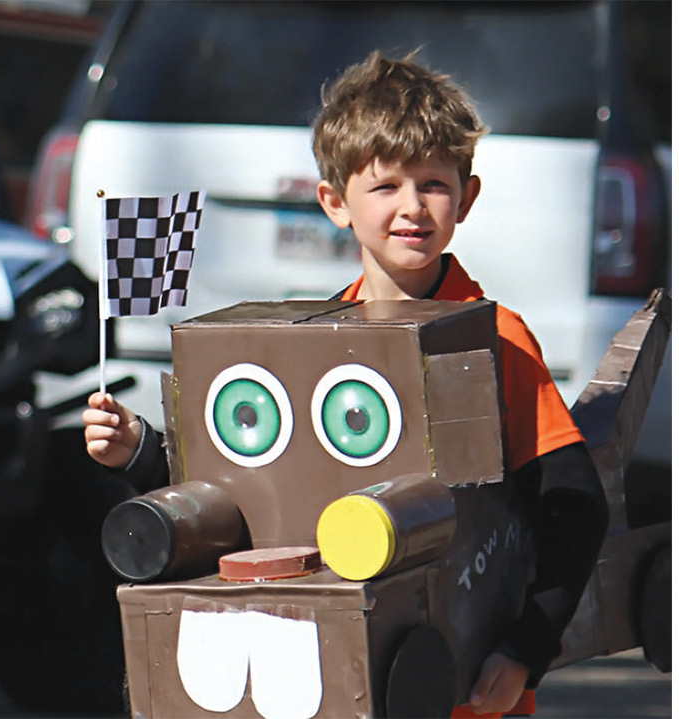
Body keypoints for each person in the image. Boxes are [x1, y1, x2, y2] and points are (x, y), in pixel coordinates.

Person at [83, 51, 608, 717]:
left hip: (459, 692)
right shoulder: (310, 341)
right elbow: (245, 490)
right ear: (335, 202)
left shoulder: (495, 338)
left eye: (434, 185)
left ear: (466, 198)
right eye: (385, 186)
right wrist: (136, 451)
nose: (412, 207)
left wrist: (524, 650)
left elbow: (573, 505)